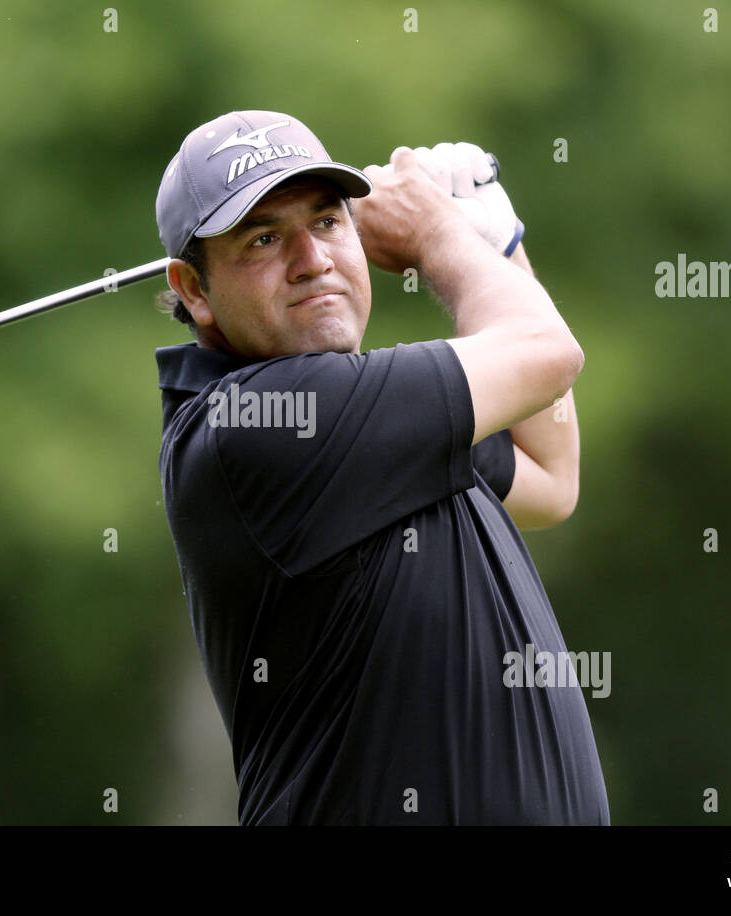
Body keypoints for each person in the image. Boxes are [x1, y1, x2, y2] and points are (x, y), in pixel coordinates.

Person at [152, 110, 609, 825]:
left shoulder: (373, 421)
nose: (312, 259)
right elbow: (547, 354)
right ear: (194, 289)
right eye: (264, 238)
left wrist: (497, 242)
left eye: (328, 221)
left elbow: (549, 475)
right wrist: (438, 234)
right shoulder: (259, 426)